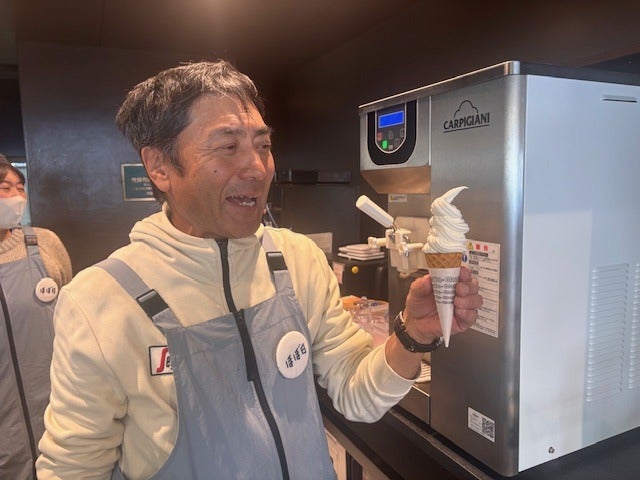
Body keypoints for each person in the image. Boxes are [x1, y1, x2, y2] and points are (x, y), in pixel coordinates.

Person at [36, 60, 482, 480]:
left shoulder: (298, 260)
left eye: (263, 146)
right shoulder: (99, 301)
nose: (257, 168)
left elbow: (355, 392)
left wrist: (412, 335)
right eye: (228, 147)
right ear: (160, 167)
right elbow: (73, 467)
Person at [0, 155, 72, 479]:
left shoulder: (44, 243)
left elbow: (74, 316)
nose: (16, 197)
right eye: (5, 188)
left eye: (20, 188)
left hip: (59, 411)